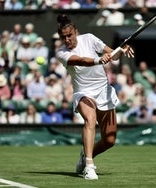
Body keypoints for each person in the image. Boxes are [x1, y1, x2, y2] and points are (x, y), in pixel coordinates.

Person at [56, 14, 134, 180]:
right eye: (64, 37)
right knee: (90, 120)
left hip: (103, 91)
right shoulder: (61, 53)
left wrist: (122, 49)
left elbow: (112, 55)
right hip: (83, 93)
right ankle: (90, 167)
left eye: (70, 35)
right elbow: (81, 60)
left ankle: (86, 154)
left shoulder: (89, 38)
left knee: (110, 140)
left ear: (75, 32)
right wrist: (99, 60)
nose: (67, 39)